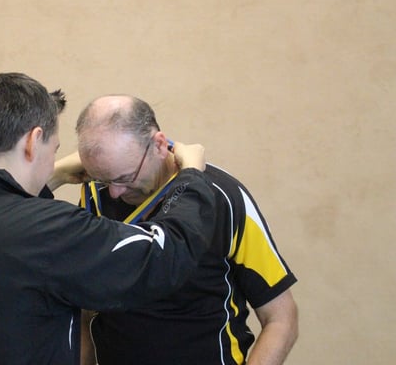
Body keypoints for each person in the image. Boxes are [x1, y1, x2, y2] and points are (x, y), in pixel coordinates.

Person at [0, 72, 219, 365]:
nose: (54, 161)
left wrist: (55, 175)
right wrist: (191, 175)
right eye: (55, 149)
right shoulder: (48, 230)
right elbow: (163, 255)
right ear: (33, 141)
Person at [76, 95, 298, 365]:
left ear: (159, 145)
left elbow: (281, 318)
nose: (115, 192)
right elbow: (85, 310)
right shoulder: (96, 196)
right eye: (102, 178)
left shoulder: (224, 197)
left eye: (125, 177)